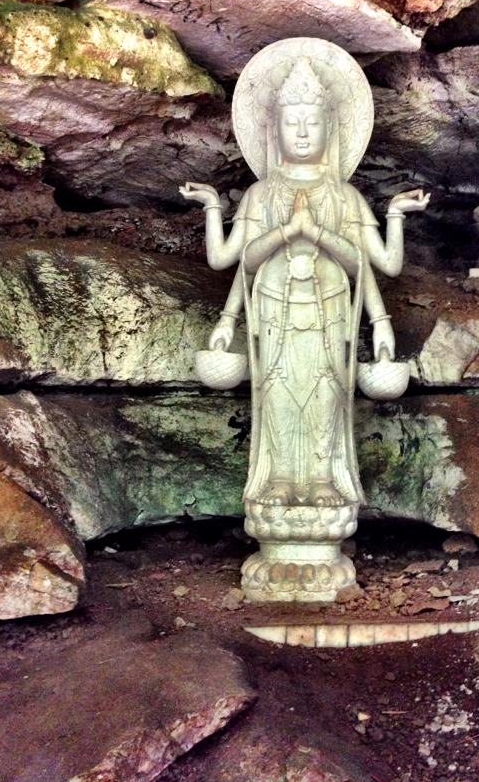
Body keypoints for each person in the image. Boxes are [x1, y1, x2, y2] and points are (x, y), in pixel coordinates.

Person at [180, 52, 428, 511]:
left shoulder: (344, 196)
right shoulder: (261, 194)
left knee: (327, 392)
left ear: (330, 128)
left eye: (312, 123)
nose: (301, 133)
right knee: (276, 392)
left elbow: (374, 265)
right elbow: (234, 262)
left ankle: (321, 480)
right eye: (291, 122)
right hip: (272, 305)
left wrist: (389, 218)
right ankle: (278, 480)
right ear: (273, 129)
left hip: (330, 307)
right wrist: (228, 316)